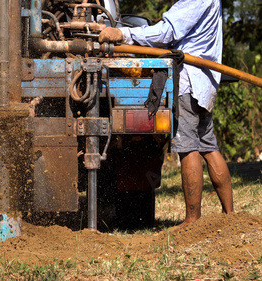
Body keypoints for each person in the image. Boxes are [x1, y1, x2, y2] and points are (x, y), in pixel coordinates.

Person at [99, 0, 234, 227]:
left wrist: (121, 34)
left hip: (189, 82)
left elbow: (166, 32)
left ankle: (192, 220)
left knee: (187, 148)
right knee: (209, 148)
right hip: (204, 83)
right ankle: (230, 216)